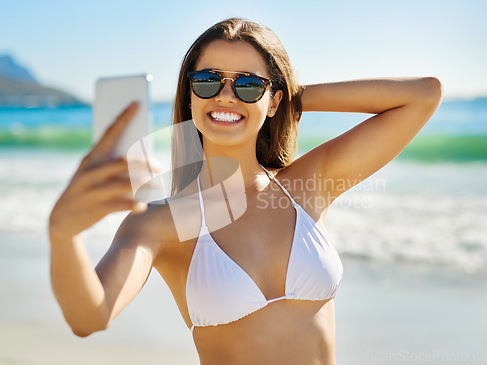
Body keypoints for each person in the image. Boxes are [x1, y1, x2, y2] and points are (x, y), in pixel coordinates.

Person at [48, 18, 443, 365]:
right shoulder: (160, 224)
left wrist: (287, 97)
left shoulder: (307, 186)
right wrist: (64, 236)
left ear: (273, 100)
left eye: (248, 85)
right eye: (207, 81)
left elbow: (423, 95)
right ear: (189, 95)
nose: (225, 95)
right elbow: (89, 317)